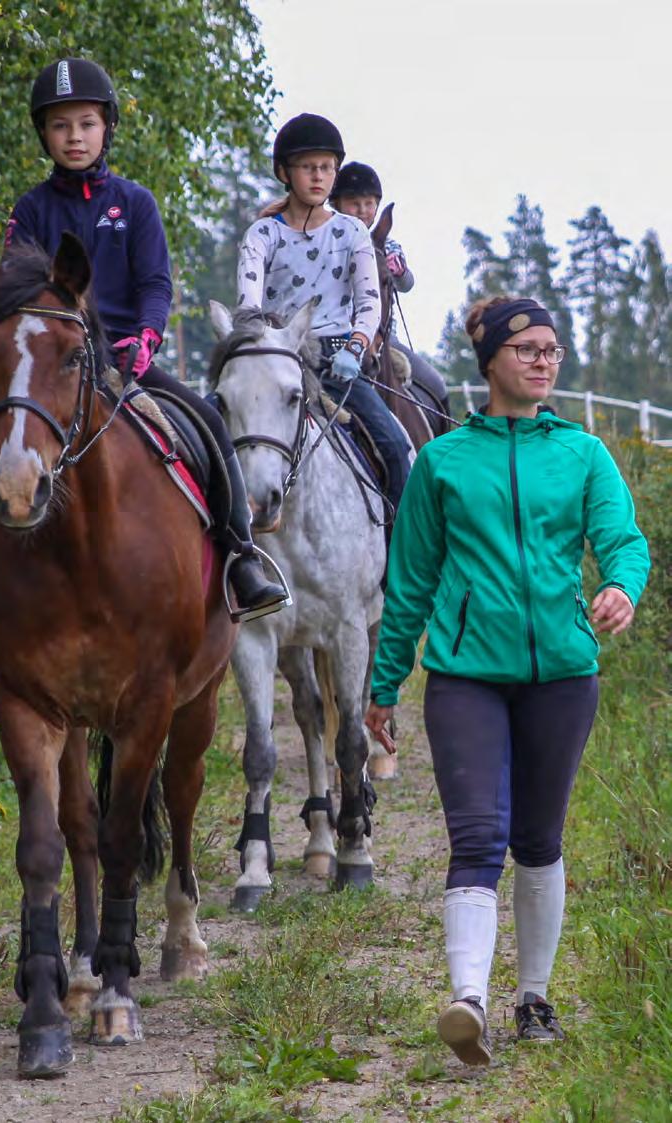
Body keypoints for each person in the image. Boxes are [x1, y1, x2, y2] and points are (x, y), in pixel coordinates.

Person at [364, 296, 650, 1066]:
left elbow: (623, 540)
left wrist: (622, 584)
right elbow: (411, 579)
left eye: (552, 349)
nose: (543, 360)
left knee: (538, 838)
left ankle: (534, 996)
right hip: (466, 676)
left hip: (564, 673)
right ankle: (467, 998)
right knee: (480, 836)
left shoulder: (584, 453)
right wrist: (385, 683)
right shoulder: (445, 460)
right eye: (526, 348)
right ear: (490, 361)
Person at [0, 57, 286, 640]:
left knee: (209, 426)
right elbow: (14, 290)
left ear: (106, 128)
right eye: (61, 127)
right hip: (47, 369)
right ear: (45, 135)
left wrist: (145, 337)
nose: (74, 137)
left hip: (121, 363)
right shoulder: (31, 209)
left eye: (85, 124)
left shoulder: (135, 203)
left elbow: (156, 283)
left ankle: (241, 557)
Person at [235, 114, 413, 524]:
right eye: (308, 167)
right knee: (209, 435)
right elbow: (247, 307)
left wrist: (355, 346)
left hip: (337, 362)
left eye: (327, 168)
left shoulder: (352, 233)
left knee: (394, 447)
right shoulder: (261, 235)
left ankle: (401, 558)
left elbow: (369, 303)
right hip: (276, 358)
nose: (319, 176)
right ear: (285, 172)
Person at [329, 161, 450, 419]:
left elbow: (407, 285)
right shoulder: (326, 243)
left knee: (436, 384)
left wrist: (400, 272)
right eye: (354, 203)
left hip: (385, 339)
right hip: (335, 333)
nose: (362, 210)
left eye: (369, 204)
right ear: (336, 204)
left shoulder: (389, 245)